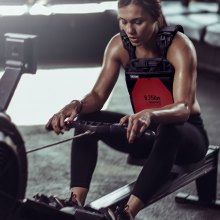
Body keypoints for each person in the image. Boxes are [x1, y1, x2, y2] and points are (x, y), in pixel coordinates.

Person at [46, 0, 209, 219]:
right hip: (142, 132)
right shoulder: (118, 45)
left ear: (155, 17)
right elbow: (97, 96)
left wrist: (151, 114)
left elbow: (183, 108)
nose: (129, 30)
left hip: (186, 135)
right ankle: (74, 202)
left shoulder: (179, 46)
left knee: (170, 129)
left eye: (138, 22)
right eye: (123, 21)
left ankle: (126, 213)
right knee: (88, 120)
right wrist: (77, 105)